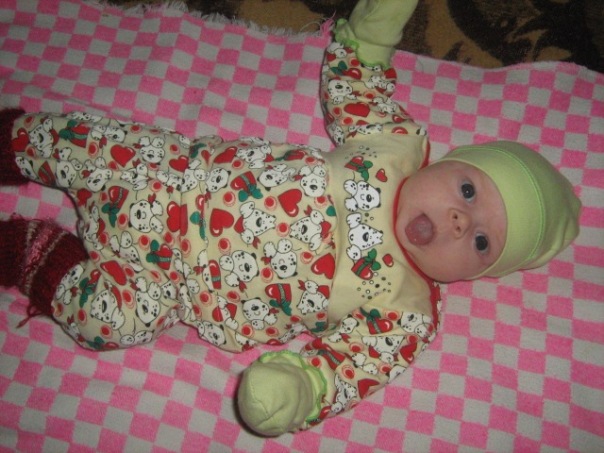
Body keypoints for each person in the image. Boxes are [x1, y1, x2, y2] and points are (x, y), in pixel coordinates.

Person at [0, 0, 580, 437]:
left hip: (172, 284)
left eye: (481, 242)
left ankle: (35, 255)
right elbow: (356, 80)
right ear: (449, 161)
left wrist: (300, 387)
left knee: (112, 322)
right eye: (468, 191)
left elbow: (347, 369)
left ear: (479, 275)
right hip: (171, 174)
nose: (458, 222)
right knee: (89, 143)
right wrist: (373, 32)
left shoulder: (406, 312)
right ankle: (15, 142)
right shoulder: (394, 146)